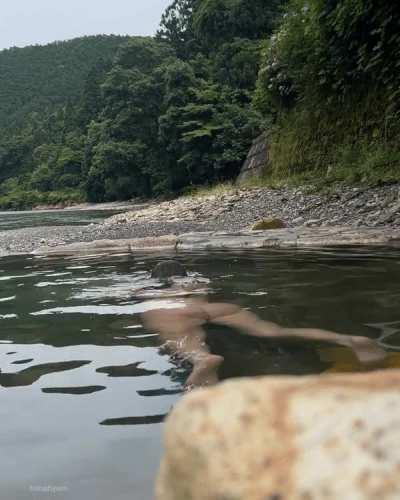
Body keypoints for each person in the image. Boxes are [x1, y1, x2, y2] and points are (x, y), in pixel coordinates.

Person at [141, 260, 387, 389]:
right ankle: (345, 340)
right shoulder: (196, 282)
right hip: (214, 308)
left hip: (176, 311)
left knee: (179, 336)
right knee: (275, 331)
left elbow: (144, 300)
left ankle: (201, 359)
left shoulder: (148, 289)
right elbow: (209, 288)